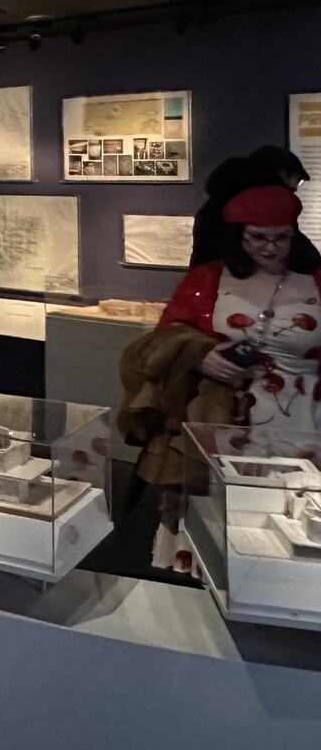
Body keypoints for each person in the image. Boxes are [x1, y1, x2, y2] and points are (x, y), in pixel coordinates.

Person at [120, 185, 321, 571]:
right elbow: (167, 334)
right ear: (239, 234)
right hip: (220, 416)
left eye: (281, 238)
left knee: (296, 518)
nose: (269, 247)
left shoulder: (315, 280)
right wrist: (200, 355)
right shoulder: (208, 277)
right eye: (258, 237)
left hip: (303, 420)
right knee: (217, 511)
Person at [190, 145, 312, 266]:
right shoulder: (266, 207)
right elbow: (302, 253)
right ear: (283, 173)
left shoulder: (216, 203)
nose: (296, 188)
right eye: (298, 180)